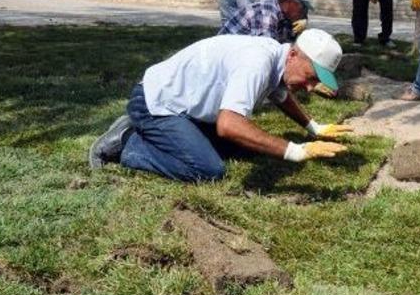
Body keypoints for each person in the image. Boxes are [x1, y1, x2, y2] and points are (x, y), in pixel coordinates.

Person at [88, 30, 353, 182]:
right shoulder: (256, 62)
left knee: (251, 149)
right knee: (208, 170)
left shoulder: (277, 58)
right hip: (154, 103)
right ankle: (129, 143)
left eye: (316, 81)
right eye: (310, 77)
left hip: (185, 109)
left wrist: (313, 127)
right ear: (294, 54)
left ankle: (162, 135)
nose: (310, 87)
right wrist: (297, 151)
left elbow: (280, 95)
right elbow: (228, 125)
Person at [219, 0, 311, 42]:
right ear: (290, 2)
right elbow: (266, 52)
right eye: (303, 7)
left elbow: (287, 46)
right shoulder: (266, 14)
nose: (304, 12)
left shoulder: (283, 17)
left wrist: (298, 33)